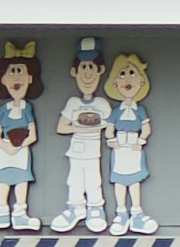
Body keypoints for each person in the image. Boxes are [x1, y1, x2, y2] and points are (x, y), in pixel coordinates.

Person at [54, 34, 115, 232]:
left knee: (93, 179)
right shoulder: (73, 103)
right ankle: (75, 208)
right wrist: (81, 128)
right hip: (76, 149)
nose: (87, 75)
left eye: (91, 68)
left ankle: (96, 208)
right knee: (74, 180)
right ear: (75, 72)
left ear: (100, 71)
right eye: (83, 68)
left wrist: (109, 135)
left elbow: (110, 124)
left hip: (93, 150)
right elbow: (61, 127)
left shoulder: (102, 104)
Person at [0, 42, 46, 230]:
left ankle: (20, 213)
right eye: (12, 72)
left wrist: (20, 145)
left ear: (30, 79)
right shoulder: (3, 110)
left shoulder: (28, 108)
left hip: (22, 151)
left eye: (21, 72)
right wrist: (7, 147)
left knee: (21, 180)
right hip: (5, 150)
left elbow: (33, 135)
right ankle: (3, 212)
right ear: (3, 80)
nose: (16, 77)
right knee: (3, 181)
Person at [105, 49, 158, 234]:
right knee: (119, 180)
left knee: (134, 180)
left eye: (132, 74)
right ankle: (121, 213)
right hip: (119, 147)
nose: (127, 80)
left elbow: (146, 128)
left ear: (141, 81)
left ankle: (137, 212)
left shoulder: (140, 110)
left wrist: (141, 140)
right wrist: (111, 140)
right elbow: (109, 127)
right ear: (115, 82)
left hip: (134, 147)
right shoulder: (116, 111)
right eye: (122, 74)